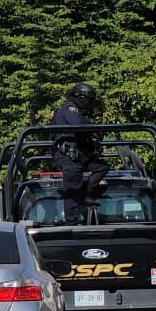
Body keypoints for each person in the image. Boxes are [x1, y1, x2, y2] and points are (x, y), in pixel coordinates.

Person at [50, 83, 108, 225]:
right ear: (81, 97)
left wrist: (94, 143)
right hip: (67, 156)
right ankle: (72, 222)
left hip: (78, 156)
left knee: (101, 167)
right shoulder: (69, 109)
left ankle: (85, 194)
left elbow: (82, 133)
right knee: (72, 187)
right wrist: (95, 128)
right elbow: (79, 124)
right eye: (89, 99)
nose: (90, 103)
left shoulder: (76, 111)